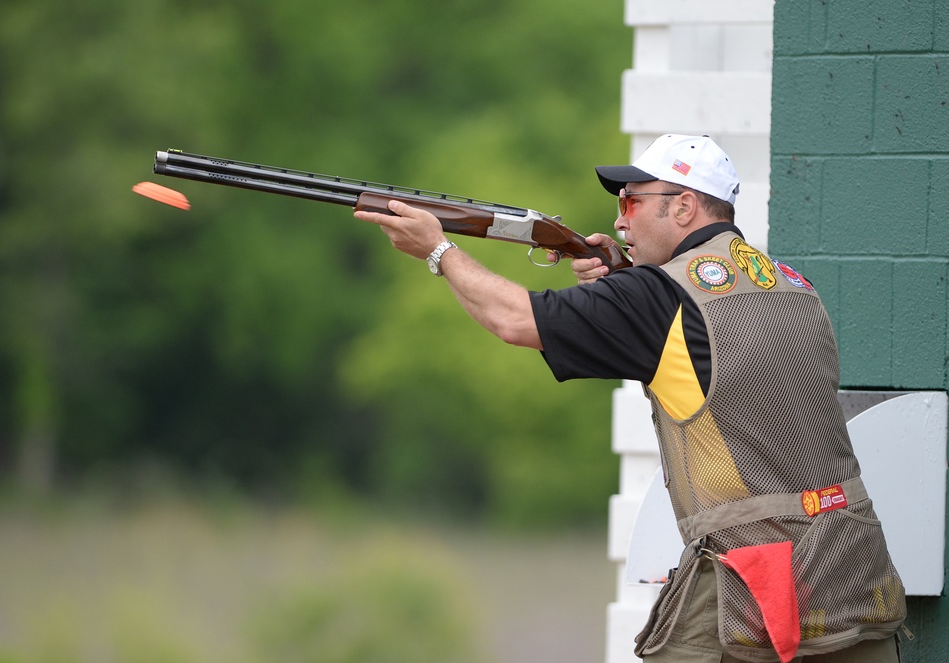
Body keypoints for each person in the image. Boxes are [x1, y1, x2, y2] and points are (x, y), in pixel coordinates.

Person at [354, 134, 906, 662]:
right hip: (849, 574)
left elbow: (513, 319)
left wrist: (439, 250)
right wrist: (623, 280)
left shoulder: (657, 296)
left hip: (750, 591)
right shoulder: (791, 285)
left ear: (684, 207)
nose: (619, 219)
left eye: (633, 200)